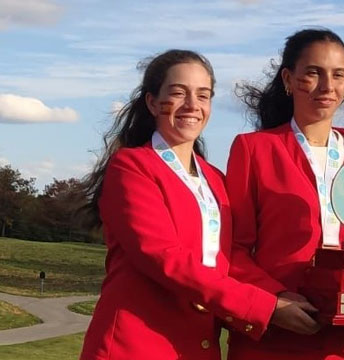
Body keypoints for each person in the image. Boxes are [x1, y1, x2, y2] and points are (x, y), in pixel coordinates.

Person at [79, 49, 318, 360]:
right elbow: (164, 258)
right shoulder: (131, 167)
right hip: (134, 346)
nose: (193, 105)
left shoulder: (215, 180)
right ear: (152, 102)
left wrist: (278, 294)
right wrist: (263, 308)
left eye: (203, 96)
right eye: (179, 93)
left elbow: (229, 255)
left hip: (196, 348)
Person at [225, 28, 344, 360]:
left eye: (338, 75)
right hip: (274, 338)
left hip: (342, 346)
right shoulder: (254, 150)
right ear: (288, 79)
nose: (328, 87)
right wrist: (275, 299)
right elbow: (233, 250)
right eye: (313, 73)